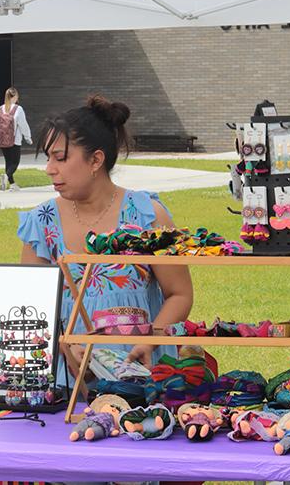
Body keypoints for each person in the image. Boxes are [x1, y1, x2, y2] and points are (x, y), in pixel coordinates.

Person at [17, 95, 193, 385]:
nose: (49, 168)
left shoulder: (147, 216)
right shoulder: (41, 223)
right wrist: (62, 344)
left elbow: (179, 293)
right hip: (66, 380)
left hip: (142, 374)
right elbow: (30, 307)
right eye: (48, 157)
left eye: (60, 158)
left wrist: (151, 339)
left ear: (95, 160)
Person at [0, 87, 32, 192]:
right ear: (15, 96)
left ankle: (13, 184)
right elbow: (23, 124)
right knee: (15, 163)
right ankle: (6, 176)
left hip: (2, 140)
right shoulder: (18, 109)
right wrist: (28, 137)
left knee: (8, 162)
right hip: (14, 140)